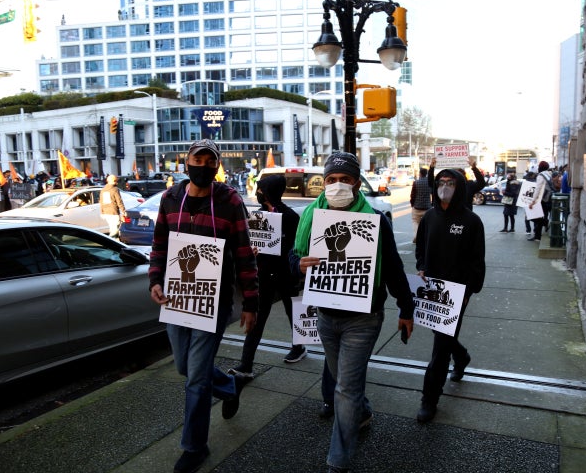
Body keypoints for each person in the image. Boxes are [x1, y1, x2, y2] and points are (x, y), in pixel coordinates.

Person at [289, 152, 415, 473]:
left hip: (364, 317)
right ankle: (363, 411)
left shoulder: (376, 221)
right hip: (326, 316)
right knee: (345, 382)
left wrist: (405, 306)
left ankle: (338, 461)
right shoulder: (310, 219)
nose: (338, 186)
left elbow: (394, 269)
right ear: (324, 183)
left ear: (357, 183)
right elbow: (292, 258)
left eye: (345, 180)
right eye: (331, 180)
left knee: (344, 388)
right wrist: (296, 265)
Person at [148, 139, 259, 473]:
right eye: (199, 158)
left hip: (214, 301)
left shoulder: (229, 200)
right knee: (184, 367)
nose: (205, 165)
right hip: (177, 298)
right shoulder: (170, 198)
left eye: (212, 161)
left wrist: (250, 302)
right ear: (186, 162)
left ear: (217, 166)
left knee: (195, 379)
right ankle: (228, 385)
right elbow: (159, 245)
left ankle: (195, 447)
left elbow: (243, 252)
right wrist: (154, 280)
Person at [415, 168, 485, 423]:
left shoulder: (471, 221)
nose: (445, 187)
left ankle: (429, 398)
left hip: (457, 292)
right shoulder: (429, 217)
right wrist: (421, 266)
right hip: (432, 290)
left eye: (450, 183)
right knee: (442, 336)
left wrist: (468, 291)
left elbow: (477, 261)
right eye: (441, 182)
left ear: (460, 187)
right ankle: (462, 356)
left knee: (440, 347)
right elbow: (420, 247)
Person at [228, 173, 303, 378]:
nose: (258, 192)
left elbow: (298, 248)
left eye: (261, 189)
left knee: (293, 312)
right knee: (257, 319)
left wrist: (279, 245)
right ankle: (246, 364)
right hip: (264, 275)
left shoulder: (290, 217)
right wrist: (254, 250)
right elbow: (253, 242)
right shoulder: (259, 216)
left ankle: (299, 346)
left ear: (270, 191)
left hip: (286, 274)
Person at [528, 161, 553, 242]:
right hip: (548, 199)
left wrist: (533, 201)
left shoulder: (541, 175)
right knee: (542, 216)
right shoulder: (549, 174)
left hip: (541, 199)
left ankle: (537, 235)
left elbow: (538, 189)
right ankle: (539, 232)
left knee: (536, 217)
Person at [99, 174, 126, 239]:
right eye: (116, 181)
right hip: (113, 212)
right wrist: (124, 211)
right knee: (115, 231)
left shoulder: (103, 190)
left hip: (106, 212)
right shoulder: (115, 189)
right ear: (113, 181)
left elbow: (101, 202)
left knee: (112, 228)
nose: (116, 182)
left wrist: (102, 212)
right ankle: (112, 243)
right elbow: (119, 201)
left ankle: (113, 242)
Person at [409, 167, 432, 243]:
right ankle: (427, 237)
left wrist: (412, 204)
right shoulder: (429, 182)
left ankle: (417, 236)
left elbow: (413, 195)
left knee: (415, 221)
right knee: (427, 223)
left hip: (417, 206)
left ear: (420, 173)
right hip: (427, 207)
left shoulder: (416, 182)